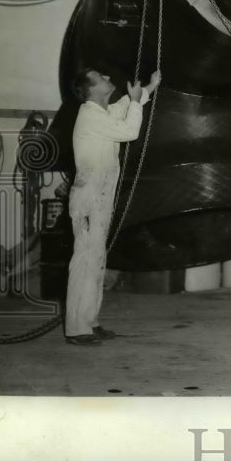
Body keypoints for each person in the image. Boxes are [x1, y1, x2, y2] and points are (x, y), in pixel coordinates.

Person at [64, 67, 161, 346]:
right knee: (85, 260)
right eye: (101, 77)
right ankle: (77, 329)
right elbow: (130, 131)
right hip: (89, 196)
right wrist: (134, 101)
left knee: (96, 259)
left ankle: (89, 323)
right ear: (91, 89)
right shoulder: (89, 116)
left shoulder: (102, 113)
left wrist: (151, 87)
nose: (108, 77)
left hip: (99, 195)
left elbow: (125, 105)